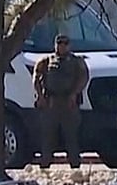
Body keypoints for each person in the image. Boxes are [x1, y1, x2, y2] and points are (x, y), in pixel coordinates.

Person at [32, 34, 90, 169]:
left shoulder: (76, 61)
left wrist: (74, 94)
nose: (62, 46)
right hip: (51, 103)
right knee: (48, 136)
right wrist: (40, 96)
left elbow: (84, 77)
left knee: (71, 137)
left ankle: (75, 166)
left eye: (65, 43)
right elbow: (36, 77)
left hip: (69, 104)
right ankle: (45, 165)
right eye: (59, 43)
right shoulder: (46, 61)